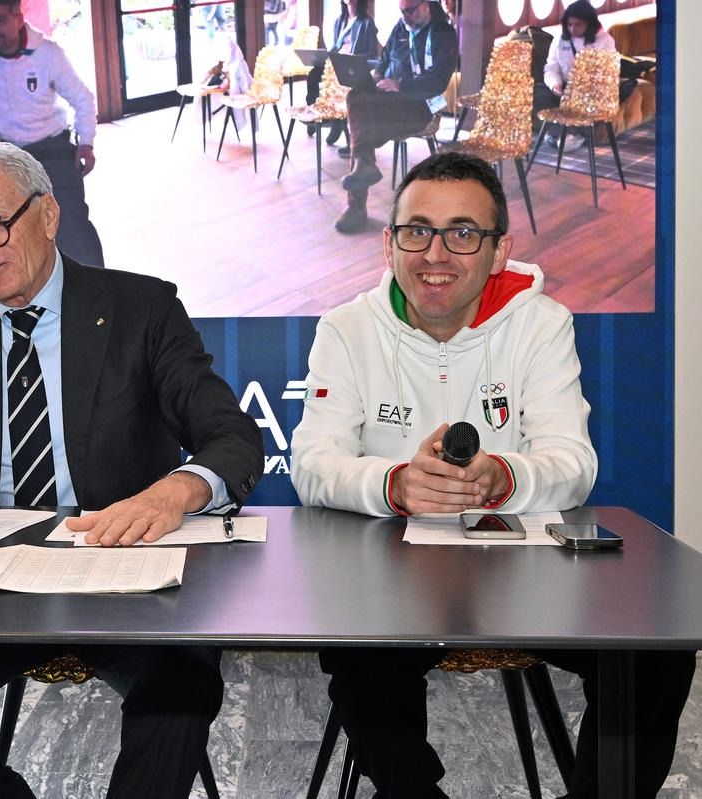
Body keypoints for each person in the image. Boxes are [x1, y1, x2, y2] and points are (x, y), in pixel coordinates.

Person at [0, 141, 263, 798]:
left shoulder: (141, 308)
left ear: (47, 214)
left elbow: (232, 437)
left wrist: (173, 492)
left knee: (181, 685)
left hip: (121, 567)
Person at [290, 151, 694, 798]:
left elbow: (572, 464)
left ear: (498, 249)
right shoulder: (345, 329)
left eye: (462, 233)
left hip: (524, 578)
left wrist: (499, 478)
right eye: (416, 231)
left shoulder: (541, 323)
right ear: (389, 243)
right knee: (361, 659)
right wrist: (395, 484)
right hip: (387, 580)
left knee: (654, 655)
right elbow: (312, 464)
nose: (435, 254)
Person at [0, 0, 106, 268]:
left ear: (18, 18)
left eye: (0, 21)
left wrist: (86, 142)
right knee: (8, 233)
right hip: (1, 153)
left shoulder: (48, 53)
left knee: (71, 223)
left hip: (51, 147)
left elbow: (83, 99)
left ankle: (95, 288)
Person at [336, 0, 457, 235]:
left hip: (421, 107)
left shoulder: (444, 33)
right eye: (401, 11)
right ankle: (363, 165)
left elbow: (439, 81)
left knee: (362, 131)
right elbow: (383, 60)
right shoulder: (401, 28)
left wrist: (400, 85)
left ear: (425, 6)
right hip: (391, 100)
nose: (404, 17)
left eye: (409, 11)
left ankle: (356, 205)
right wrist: (376, 76)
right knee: (356, 95)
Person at [534, 0, 618, 149]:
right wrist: (555, 84)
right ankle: (563, 134)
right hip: (564, 87)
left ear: (589, 24)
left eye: (578, 25)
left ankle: (568, 134)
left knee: (585, 105)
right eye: (569, 24)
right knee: (534, 93)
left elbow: (611, 70)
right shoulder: (560, 40)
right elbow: (551, 68)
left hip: (591, 91)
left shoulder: (605, 40)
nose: (572, 29)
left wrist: (584, 87)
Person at [304, 0, 379, 145]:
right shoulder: (339, 21)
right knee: (314, 74)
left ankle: (337, 122)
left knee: (339, 81)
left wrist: (353, 58)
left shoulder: (367, 22)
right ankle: (314, 115)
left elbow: (372, 53)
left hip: (352, 66)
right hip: (336, 62)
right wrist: (324, 57)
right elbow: (335, 47)